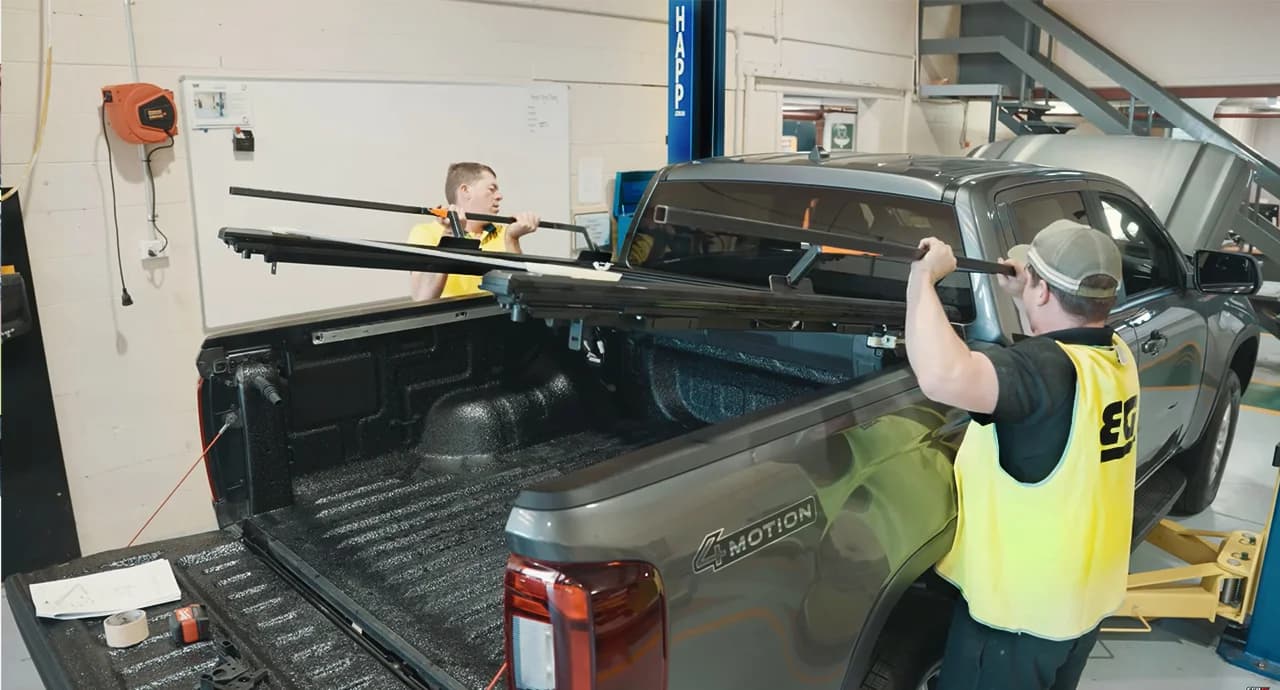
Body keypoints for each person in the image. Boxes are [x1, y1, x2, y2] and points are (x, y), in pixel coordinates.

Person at [904, 219, 1139, 690]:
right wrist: (1022, 294)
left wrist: (922, 278)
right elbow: (1045, 363)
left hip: (1017, 620)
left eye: (1033, 277)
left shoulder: (1045, 371)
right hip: (1078, 609)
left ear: (1047, 293)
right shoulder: (1112, 354)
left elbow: (942, 377)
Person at [408, 162, 540, 301]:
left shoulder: (505, 233)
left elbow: (520, 297)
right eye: (491, 189)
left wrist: (512, 238)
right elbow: (423, 297)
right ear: (466, 191)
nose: (499, 196)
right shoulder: (425, 232)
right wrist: (451, 233)